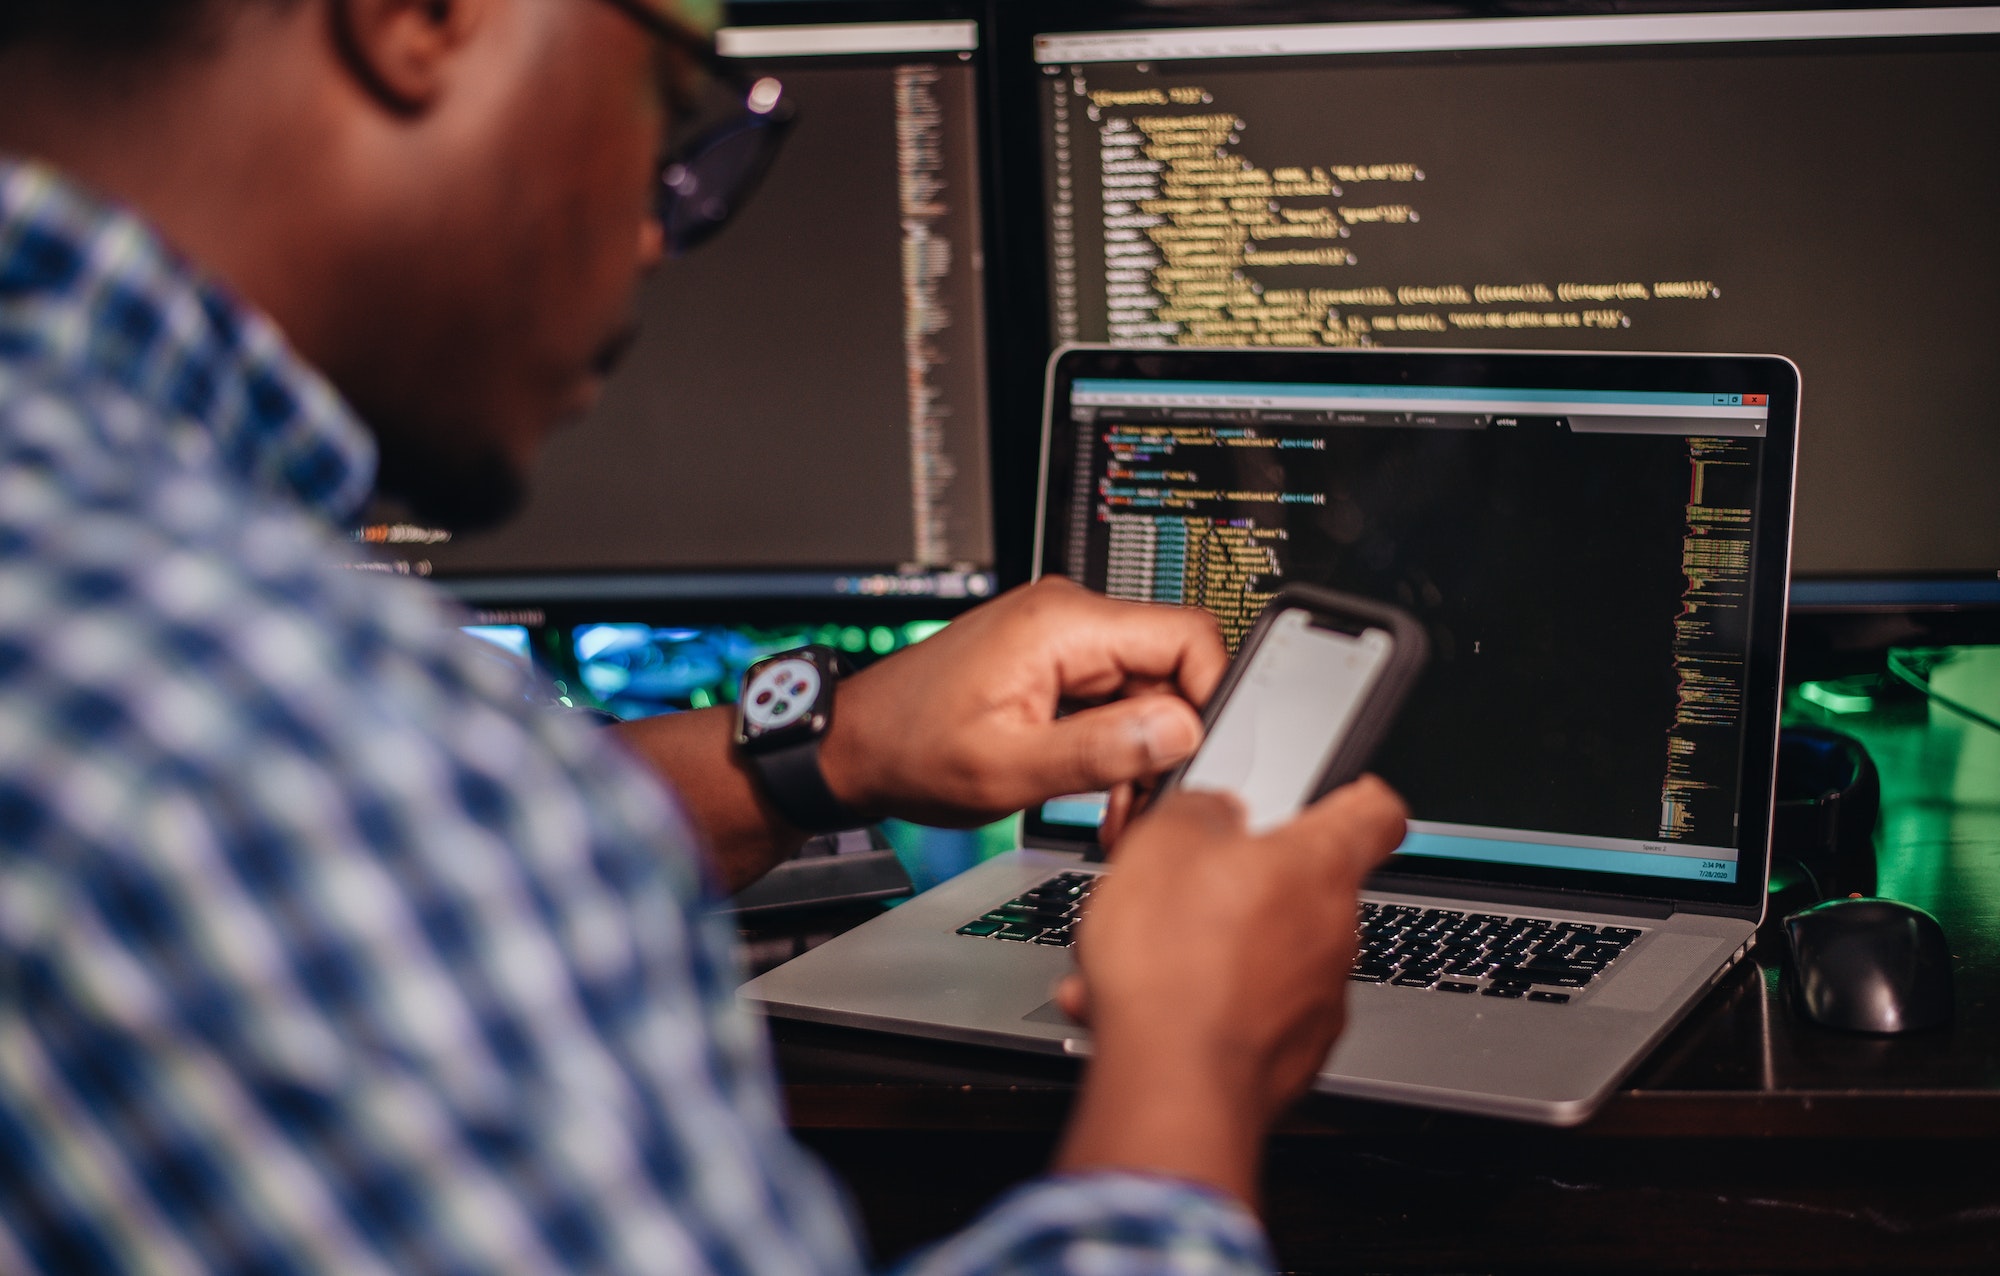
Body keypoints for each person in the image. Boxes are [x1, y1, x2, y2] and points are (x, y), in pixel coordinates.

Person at [0, 1, 1410, 1271]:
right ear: (420, 19)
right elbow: (344, 825)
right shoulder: (290, 731)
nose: (661, 230)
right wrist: (1187, 1082)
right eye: (668, 110)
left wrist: (812, 754)